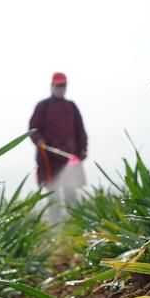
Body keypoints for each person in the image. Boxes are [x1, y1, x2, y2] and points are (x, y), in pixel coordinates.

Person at [29, 72, 88, 224]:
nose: (61, 88)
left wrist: (83, 149)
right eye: (58, 85)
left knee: (71, 194)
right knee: (53, 195)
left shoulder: (72, 106)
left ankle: (76, 225)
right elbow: (33, 129)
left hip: (69, 159)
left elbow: (80, 130)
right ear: (52, 86)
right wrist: (40, 141)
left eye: (63, 86)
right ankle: (55, 227)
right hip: (49, 159)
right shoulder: (43, 106)